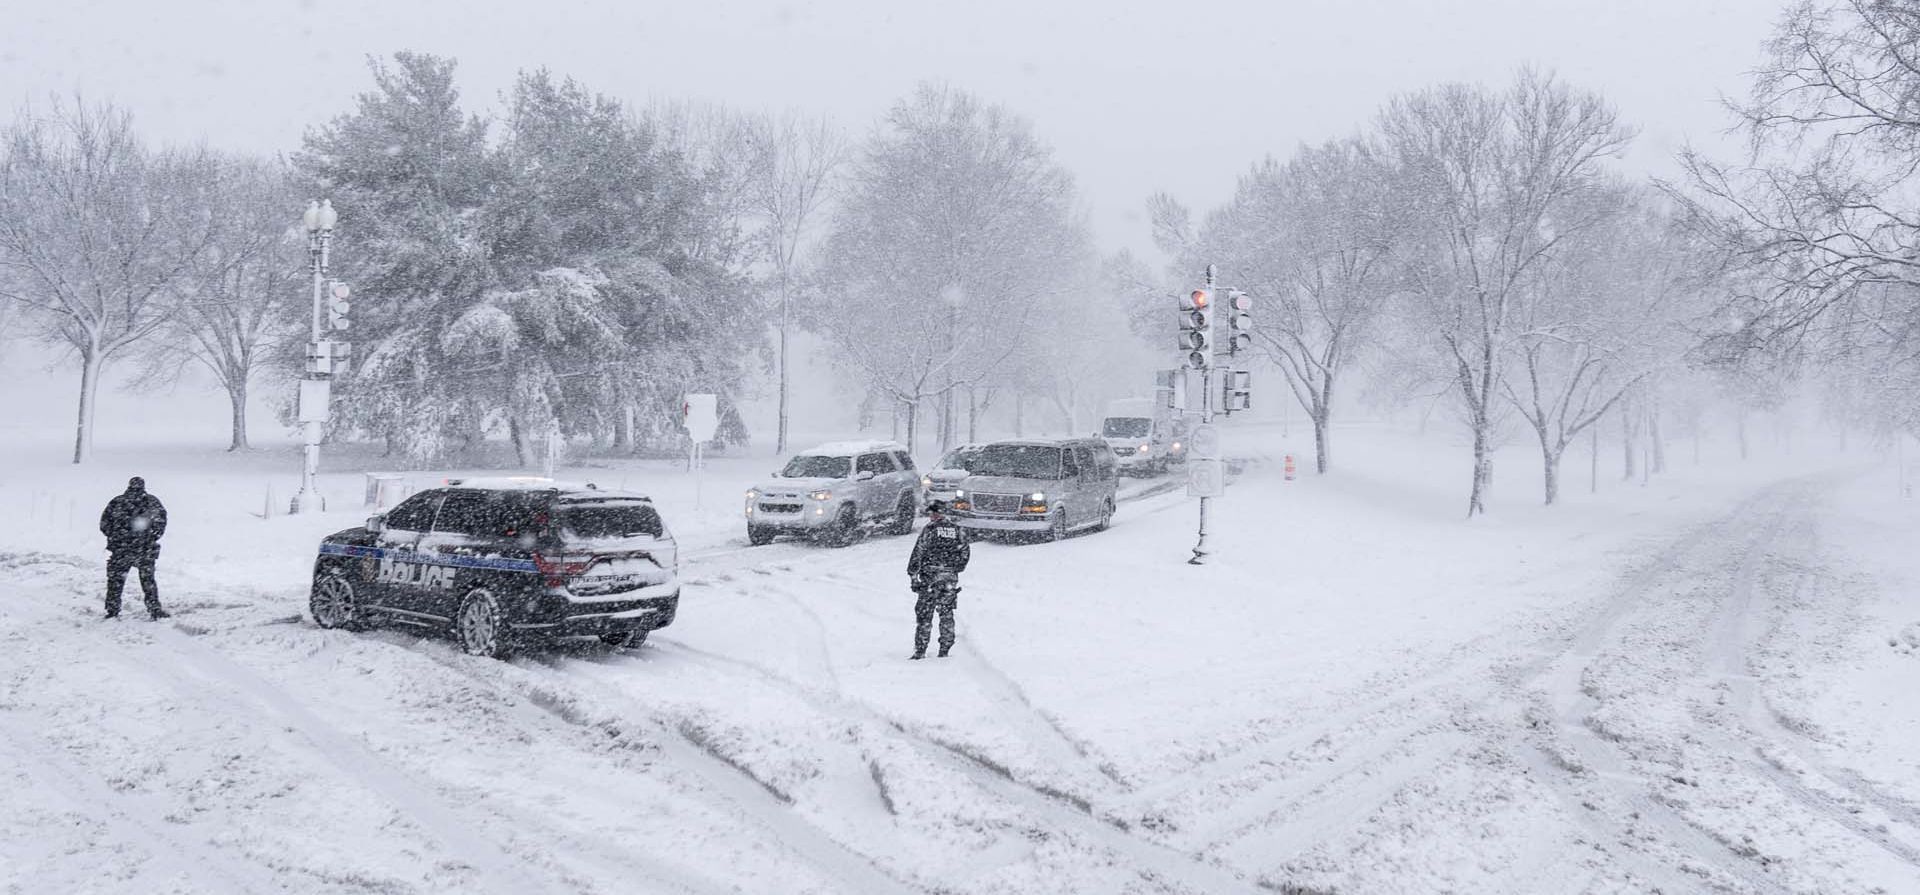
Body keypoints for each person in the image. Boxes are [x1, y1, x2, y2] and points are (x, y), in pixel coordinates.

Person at [907, 499, 970, 659]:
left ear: (937, 514)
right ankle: (945, 648)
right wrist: (954, 568)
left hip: (930, 578)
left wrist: (914, 575)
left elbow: (918, 552)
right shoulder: (958, 530)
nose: (931, 517)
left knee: (925, 615)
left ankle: (920, 650)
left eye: (932, 513)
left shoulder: (930, 530)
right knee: (946, 612)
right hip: (949, 578)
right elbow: (965, 554)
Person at [99, 476, 169, 620]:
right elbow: (160, 522)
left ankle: (112, 610)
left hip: (121, 549)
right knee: (148, 581)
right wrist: (151, 537)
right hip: (144, 549)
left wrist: (115, 537)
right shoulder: (151, 502)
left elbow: (104, 524)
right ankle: (154, 609)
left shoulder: (117, 502)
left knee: (115, 581)